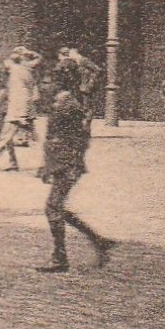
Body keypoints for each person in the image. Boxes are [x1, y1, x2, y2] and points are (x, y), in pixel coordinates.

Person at [34, 88, 115, 273]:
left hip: (66, 168)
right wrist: (46, 167)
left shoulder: (66, 121)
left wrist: (53, 167)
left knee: (53, 207)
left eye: (58, 102)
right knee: (57, 208)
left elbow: (64, 146)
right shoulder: (70, 120)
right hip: (65, 167)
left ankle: (60, 258)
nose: (54, 105)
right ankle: (98, 241)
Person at [0, 47, 37, 173]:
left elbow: (24, 93)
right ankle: (8, 162)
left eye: (15, 54)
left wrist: (22, 114)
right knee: (12, 137)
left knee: (5, 137)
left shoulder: (19, 72)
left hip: (18, 110)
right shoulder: (22, 70)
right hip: (19, 109)